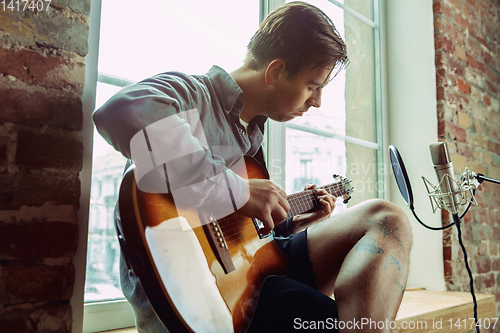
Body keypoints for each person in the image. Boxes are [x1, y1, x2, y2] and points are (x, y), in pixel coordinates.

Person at [93, 2, 413, 332]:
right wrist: (236, 189)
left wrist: (290, 224)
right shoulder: (194, 95)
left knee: (388, 219)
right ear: (275, 71)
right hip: (200, 299)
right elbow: (120, 112)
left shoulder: (254, 140)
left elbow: (242, 242)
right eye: (312, 86)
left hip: (251, 278)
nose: (316, 102)